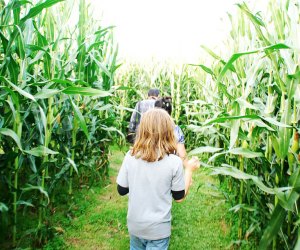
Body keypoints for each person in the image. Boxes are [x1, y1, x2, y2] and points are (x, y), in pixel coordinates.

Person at [117, 109, 199, 250]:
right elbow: (179, 197)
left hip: (135, 226)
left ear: (142, 130)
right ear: (169, 132)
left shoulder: (130, 156)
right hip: (158, 231)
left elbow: (122, 190)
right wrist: (189, 171)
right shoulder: (174, 162)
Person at [154, 97, 189, 168]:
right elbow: (182, 154)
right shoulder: (176, 129)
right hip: (171, 167)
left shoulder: (148, 128)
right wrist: (188, 169)